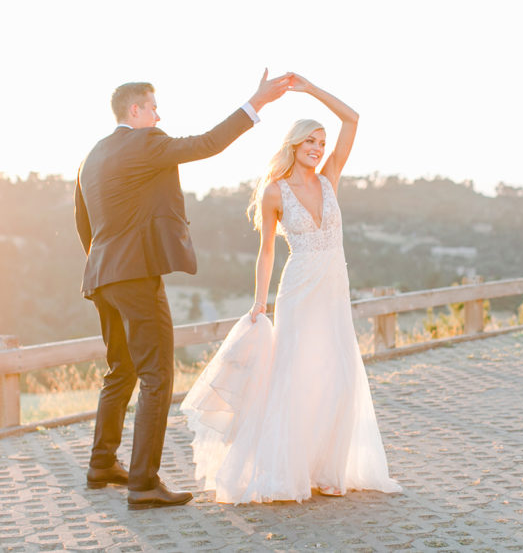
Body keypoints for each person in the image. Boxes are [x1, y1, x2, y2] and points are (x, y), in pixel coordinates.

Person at [74, 70, 293, 510]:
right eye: (153, 107)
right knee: (157, 375)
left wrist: (104, 266)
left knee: (121, 370)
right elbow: (207, 144)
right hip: (135, 276)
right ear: (134, 111)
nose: (158, 115)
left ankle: (102, 465)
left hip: (101, 276)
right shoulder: (145, 142)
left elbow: (84, 222)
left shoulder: (92, 156)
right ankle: (143, 484)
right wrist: (257, 103)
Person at [181, 75, 401, 503]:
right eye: (310, 143)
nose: (318, 150)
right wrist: (259, 300)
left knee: (337, 374)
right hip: (299, 290)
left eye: (321, 142)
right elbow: (266, 252)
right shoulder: (274, 191)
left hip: (334, 288)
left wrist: (312, 88)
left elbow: (353, 119)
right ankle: (291, 469)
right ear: (294, 146)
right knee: (298, 377)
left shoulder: (329, 177)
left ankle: (327, 468)